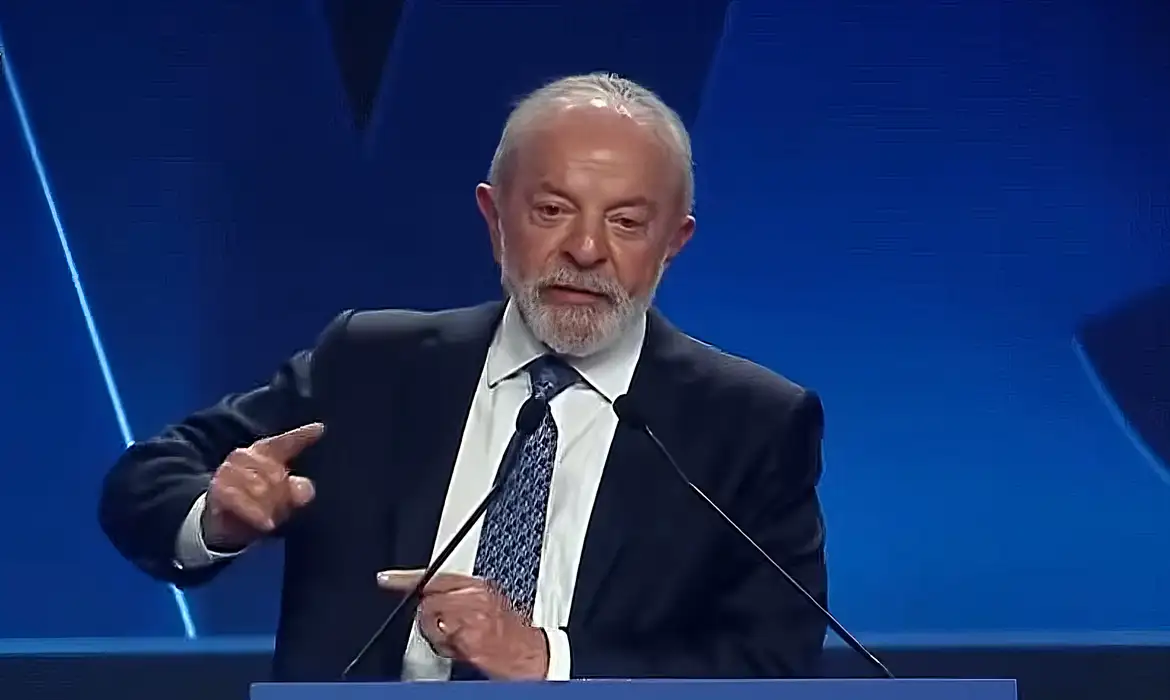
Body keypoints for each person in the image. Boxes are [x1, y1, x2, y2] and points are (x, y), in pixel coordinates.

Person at [98, 72, 829, 682]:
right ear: (494, 217)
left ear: (675, 241)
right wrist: (216, 515)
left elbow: (775, 661)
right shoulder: (371, 364)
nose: (585, 249)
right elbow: (145, 482)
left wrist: (548, 661)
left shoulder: (752, 423)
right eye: (552, 210)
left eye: (627, 223)